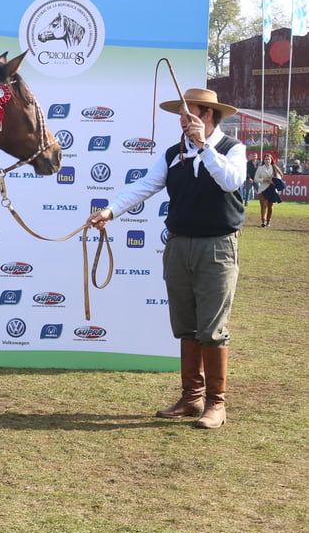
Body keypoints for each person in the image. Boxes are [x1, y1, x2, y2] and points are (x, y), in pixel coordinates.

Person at [87, 88, 246, 429]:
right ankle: (192, 398)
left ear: (209, 116)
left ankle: (216, 404)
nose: (183, 119)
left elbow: (231, 182)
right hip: (178, 245)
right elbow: (145, 185)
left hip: (217, 246)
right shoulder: (174, 153)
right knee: (186, 326)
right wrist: (111, 211)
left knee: (212, 328)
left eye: (191, 113)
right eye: (182, 113)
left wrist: (205, 147)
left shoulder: (233, 149)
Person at [254, 154, 284, 227]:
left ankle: (268, 221)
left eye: (269, 159)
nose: (267, 161)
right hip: (263, 189)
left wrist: (273, 181)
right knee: (263, 205)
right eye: (266, 159)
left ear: (271, 160)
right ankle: (263, 221)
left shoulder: (274, 168)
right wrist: (264, 180)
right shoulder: (260, 169)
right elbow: (255, 179)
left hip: (272, 189)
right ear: (264, 161)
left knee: (270, 206)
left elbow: (280, 177)